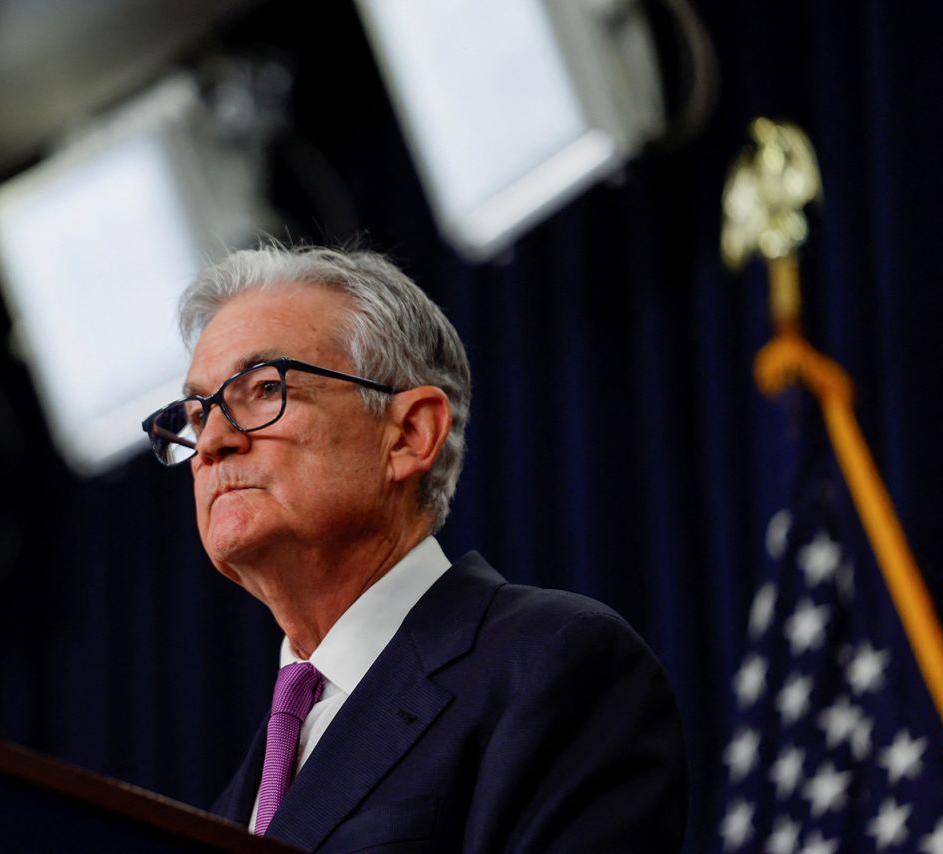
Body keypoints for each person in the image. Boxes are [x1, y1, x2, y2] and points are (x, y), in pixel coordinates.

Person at [142, 244, 688, 852]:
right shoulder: (229, 808)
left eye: (265, 389)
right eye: (195, 414)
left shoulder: (552, 665)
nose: (212, 441)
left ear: (409, 433)